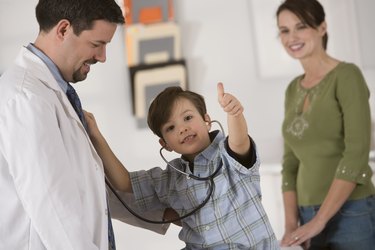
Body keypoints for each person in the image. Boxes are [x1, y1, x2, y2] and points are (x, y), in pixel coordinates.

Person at [0, 0, 168, 249]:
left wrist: (165, 212)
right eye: (96, 44)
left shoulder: (54, 93)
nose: (102, 57)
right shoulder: (26, 98)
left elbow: (84, 189)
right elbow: (53, 206)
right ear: (63, 30)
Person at [85, 82, 279, 249]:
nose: (183, 128)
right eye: (171, 128)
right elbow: (125, 183)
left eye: (188, 118)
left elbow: (238, 142)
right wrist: (96, 136)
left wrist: (234, 114)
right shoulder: (171, 178)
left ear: (207, 120)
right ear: (165, 144)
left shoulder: (228, 155)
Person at [276, 0, 375, 249]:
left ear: (322, 27)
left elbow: (356, 155)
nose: (292, 37)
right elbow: (290, 163)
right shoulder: (292, 89)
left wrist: (320, 220)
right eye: (284, 30)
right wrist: (291, 224)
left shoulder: (347, 76)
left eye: (301, 26)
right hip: (305, 213)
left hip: (352, 211)